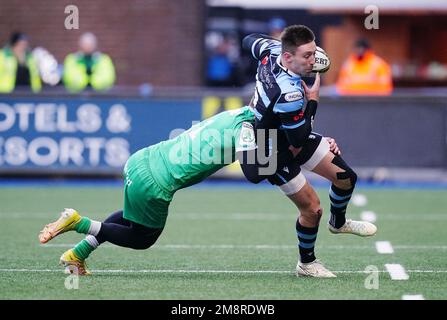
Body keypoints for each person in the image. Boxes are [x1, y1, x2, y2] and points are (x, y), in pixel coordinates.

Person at [38, 103, 342, 276]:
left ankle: (76, 256)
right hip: (157, 184)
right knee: (143, 237)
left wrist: (316, 139)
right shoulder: (251, 134)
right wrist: (306, 149)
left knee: (131, 218)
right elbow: (257, 170)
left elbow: (284, 131)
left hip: (141, 160)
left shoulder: (240, 113)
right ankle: (78, 222)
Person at [242, 25, 377, 277]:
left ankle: (338, 223)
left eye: (314, 53)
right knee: (313, 209)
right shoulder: (289, 93)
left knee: (346, 178)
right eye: (307, 56)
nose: (313, 61)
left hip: (282, 132)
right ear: (288, 57)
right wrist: (314, 99)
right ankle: (307, 264)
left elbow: (248, 38)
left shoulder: (271, 50)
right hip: (267, 151)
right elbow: (300, 138)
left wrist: (275, 42)